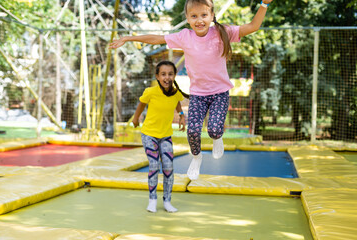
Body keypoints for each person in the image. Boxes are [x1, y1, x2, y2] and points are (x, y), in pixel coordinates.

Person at [110, 0, 273, 180]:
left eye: (204, 15)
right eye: (194, 16)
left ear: (212, 15)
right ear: (187, 18)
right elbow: (156, 38)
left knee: (214, 130)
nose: (199, 20)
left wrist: (264, 4)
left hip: (219, 93)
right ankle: (196, 158)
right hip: (198, 95)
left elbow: (253, 26)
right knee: (193, 131)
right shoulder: (184, 36)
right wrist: (128, 38)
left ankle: (217, 139)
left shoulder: (222, 32)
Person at [132, 61, 188, 213]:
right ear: (157, 76)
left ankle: (167, 201)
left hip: (165, 136)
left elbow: (177, 102)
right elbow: (141, 104)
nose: (167, 77)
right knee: (154, 165)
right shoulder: (150, 91)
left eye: (170, 74)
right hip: (149, 134)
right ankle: (152, 200)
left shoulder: (176, 92)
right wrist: (136, 118)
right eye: (163, 74)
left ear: (174, 76)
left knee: (169, 167)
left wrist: (181, 115)